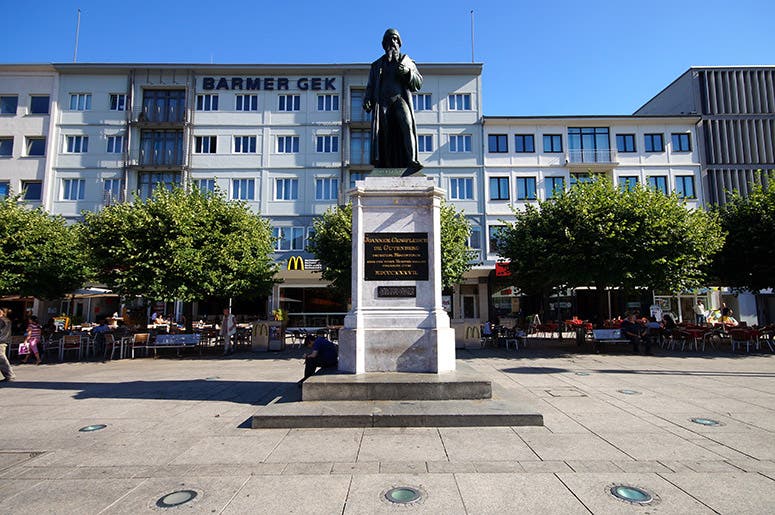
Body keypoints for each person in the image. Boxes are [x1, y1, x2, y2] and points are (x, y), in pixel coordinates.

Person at [363, 28, 424, 171]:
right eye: (390, 40)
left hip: (399, 100)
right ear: (384, 44)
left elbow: (418, 82)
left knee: (407, 125)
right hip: (382, 102)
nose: (393, 42)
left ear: (399, 43)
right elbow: (370, 86)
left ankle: (412, 160)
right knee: (385, 134)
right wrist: (367, 99)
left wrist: (408, 72)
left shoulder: (407, 61)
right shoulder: (377, 65)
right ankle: (386, 165)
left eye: (395, 39)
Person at [0, 308, 16, 382]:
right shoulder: (7, 320)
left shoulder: (2, 321)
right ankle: (9, 375)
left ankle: (10, 375)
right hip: (4, 341)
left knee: (2, 359)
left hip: (1, 341)